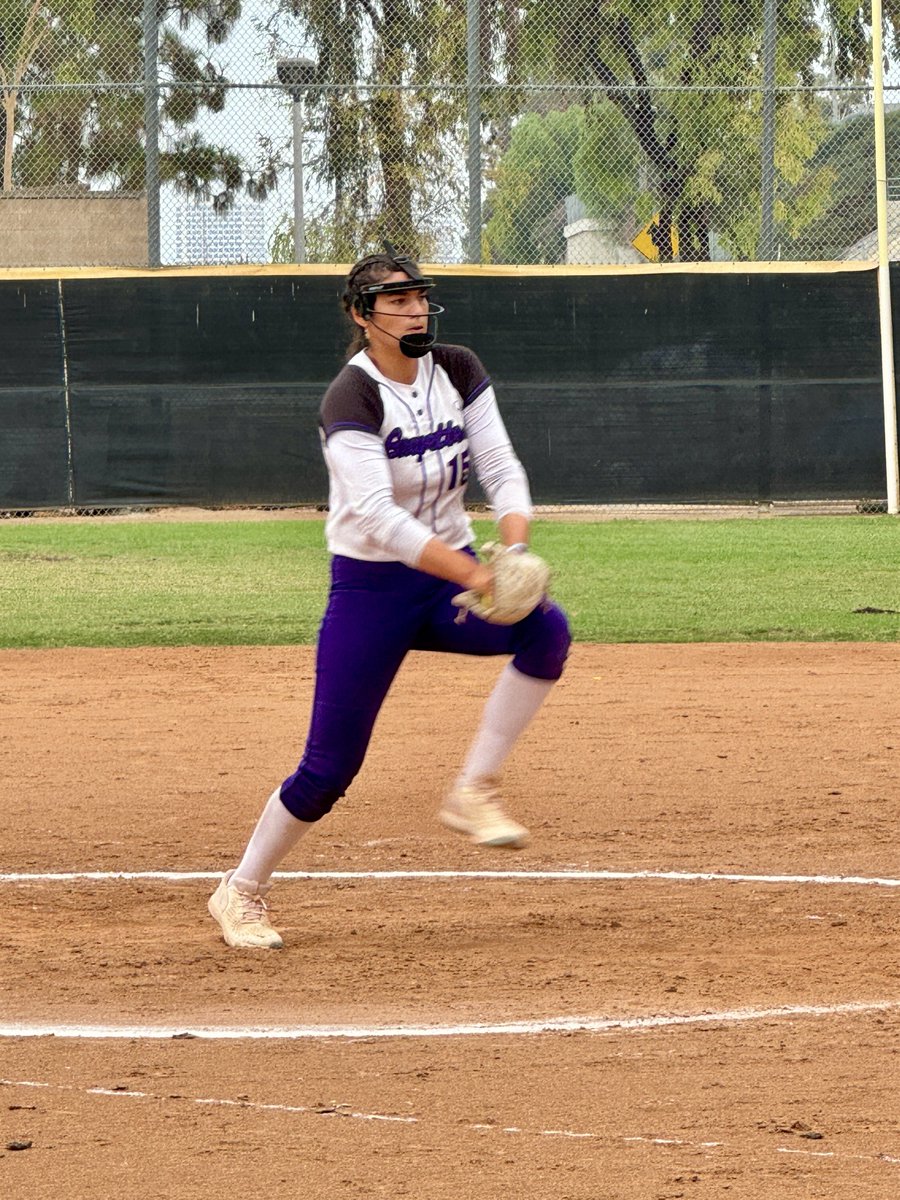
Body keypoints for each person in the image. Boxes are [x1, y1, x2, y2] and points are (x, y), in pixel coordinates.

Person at [208, 243, 571, 949]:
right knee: (329, 767)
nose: (414, 310)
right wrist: (477, 577)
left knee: (546, 630)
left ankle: (475, 789)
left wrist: (516, 548)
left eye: (419, 298)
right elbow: (377, 516)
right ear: (361, 315)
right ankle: (240, 891)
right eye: (395, 302)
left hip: (451, 575)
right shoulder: (352, 395)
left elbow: (498, 462)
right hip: (372, 588)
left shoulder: (457, 367)